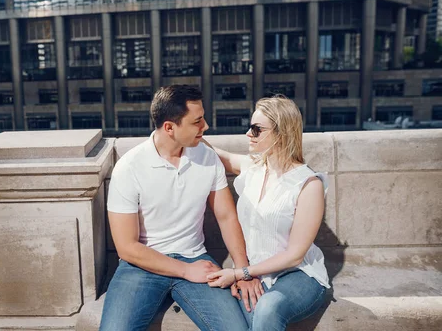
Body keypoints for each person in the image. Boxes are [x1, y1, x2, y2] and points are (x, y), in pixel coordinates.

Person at [100, 85, 262, 331]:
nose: (205, 126)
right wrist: (186, 271)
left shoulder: (206, 156)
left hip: (195, 257)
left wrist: (243, 271)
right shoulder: (129, 168)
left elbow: (226, 216)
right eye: (197, 121)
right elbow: (127, 247)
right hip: (142, 266)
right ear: (169, 128)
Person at [205, 95, 330, 331]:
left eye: (256, 129)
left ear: (281, 134)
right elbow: (212, 152)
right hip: (255, 273)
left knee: (268, 307)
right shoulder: (253, 167)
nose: (248, 134)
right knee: (253, 319)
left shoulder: (308, 184)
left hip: (298, 274)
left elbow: (294, 255)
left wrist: (240, 273)